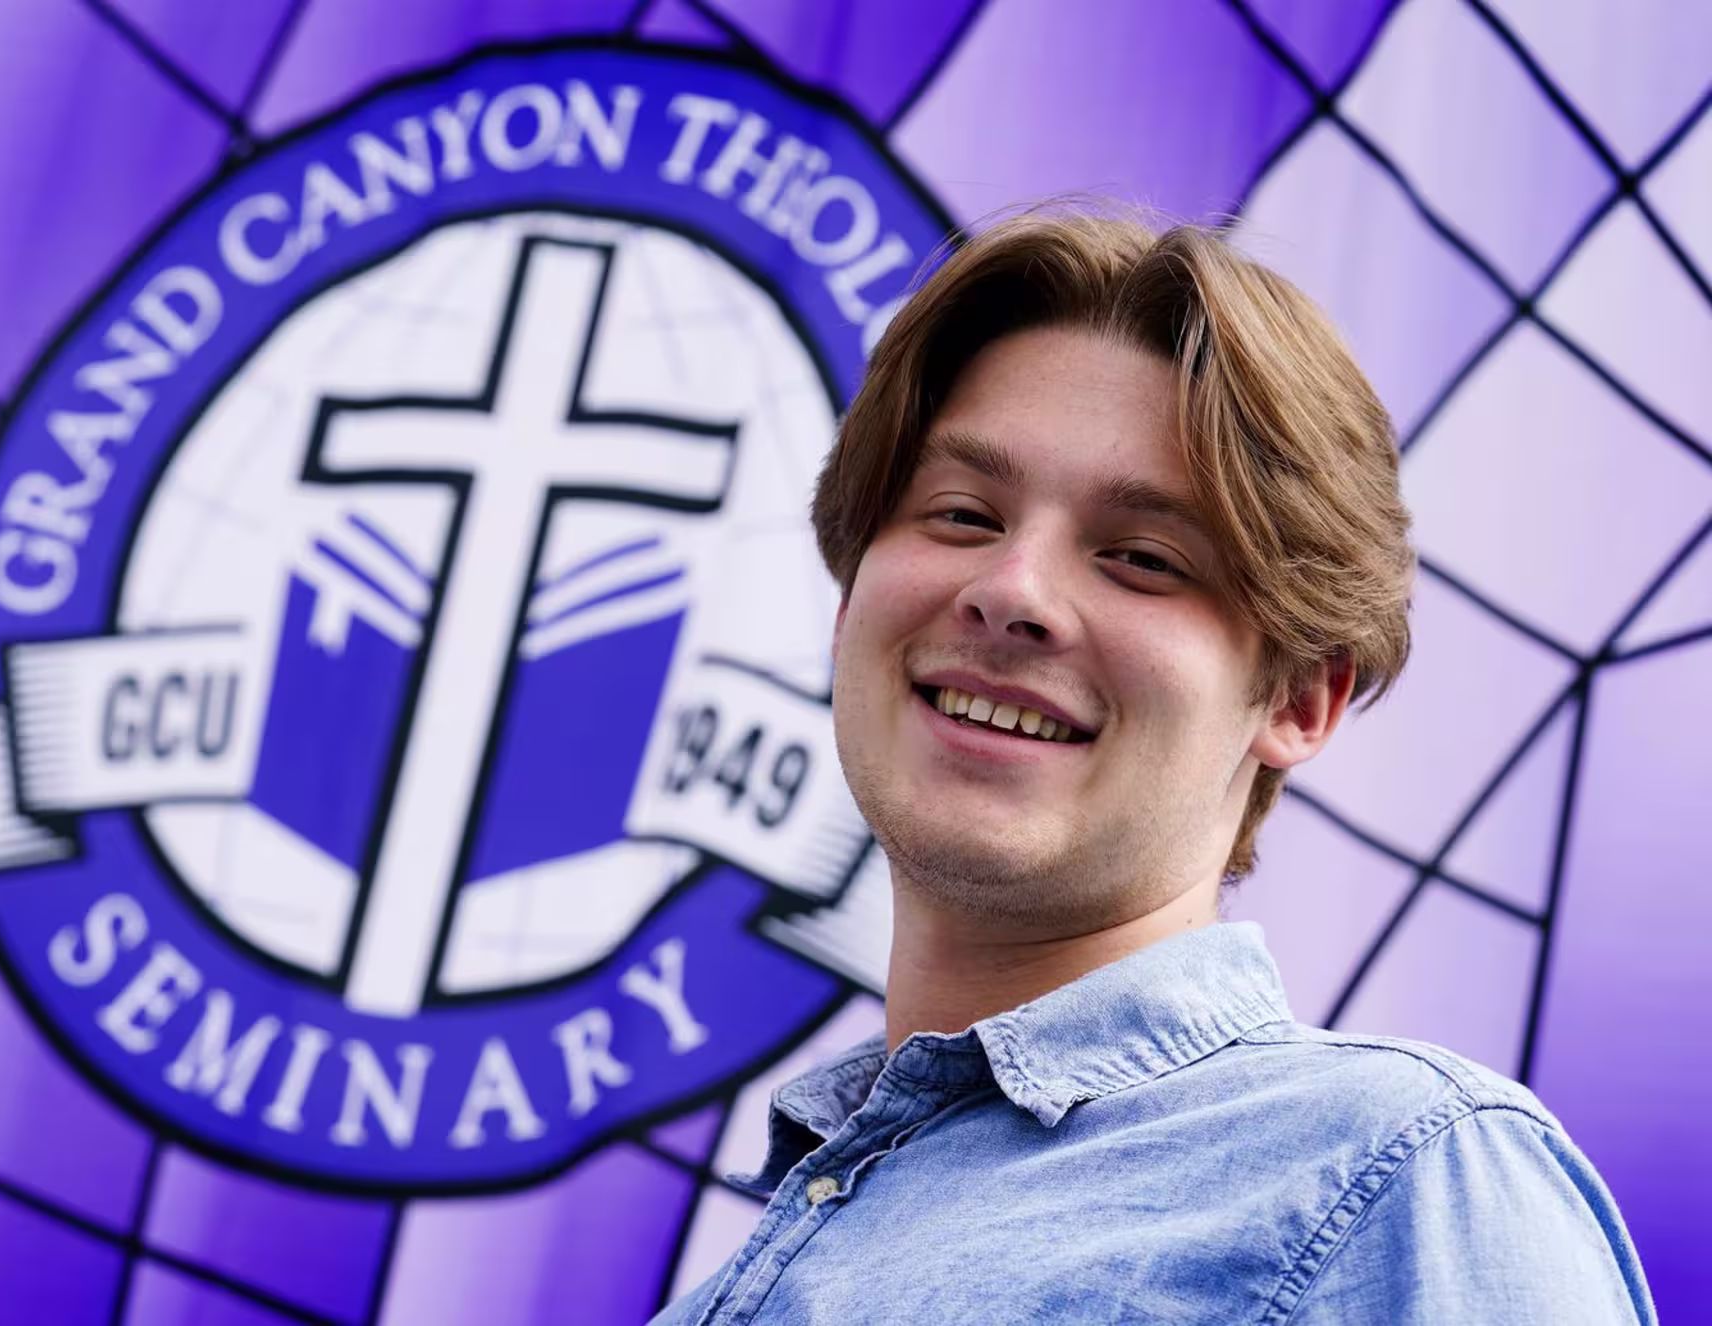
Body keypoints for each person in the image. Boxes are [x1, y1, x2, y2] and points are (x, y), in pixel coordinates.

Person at [649, 209, 1654, 1324]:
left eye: (1141, 558)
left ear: (1300, 699)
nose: (1012, 591)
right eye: (964, 515)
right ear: (848, 610)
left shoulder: (1406, 1181)